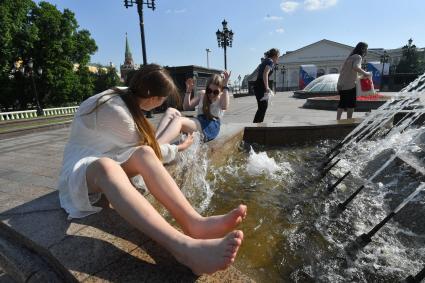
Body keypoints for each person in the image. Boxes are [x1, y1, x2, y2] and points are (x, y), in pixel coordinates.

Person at [57, 64, 246, 275]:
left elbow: (146, 151)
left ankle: (195, 224)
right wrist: (178, 148)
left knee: (143, 154)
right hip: (80, 170)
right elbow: (156, 150)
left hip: (106, 155)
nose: (162, 104)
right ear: (153, 97)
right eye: (163, 98)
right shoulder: (117, 111)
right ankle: (184, 249)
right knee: (108, 167)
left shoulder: (123, 96)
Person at [182, 71, 231, 142]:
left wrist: (225, 85)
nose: (211, 94)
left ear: (220, 91)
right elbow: (187, 107)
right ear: (206, 88)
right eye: (209, 90)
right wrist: (188, 90)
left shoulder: (221, 98)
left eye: (215, 92)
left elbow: (224, 106)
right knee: (177, 119)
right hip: (199, 121)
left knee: (182, 123)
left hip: (212, 125)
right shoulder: (202, 94)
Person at [336, 42, 372, 120]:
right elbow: (355, 67)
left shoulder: (350, 57)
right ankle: (349, 120)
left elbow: (348, 72)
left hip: (341, 84)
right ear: (362, 49)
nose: (367, 50)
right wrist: (365, 73)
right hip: (350, 85)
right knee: (351, 104)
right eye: (366, 49)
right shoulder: (358, 57)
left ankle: (337, 120)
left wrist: (360, 76)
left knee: (342, 103)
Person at [253, 48, 280, 123]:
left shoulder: (266, 60)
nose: (278, 58)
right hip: (261, 86)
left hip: (259, 85)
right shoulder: (270, 61)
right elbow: (265, 73)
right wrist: (267, 87)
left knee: (262, 107)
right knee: (263, 107)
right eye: (278, 56)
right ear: (275, 56)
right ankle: (256, 127)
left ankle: (256, 126)